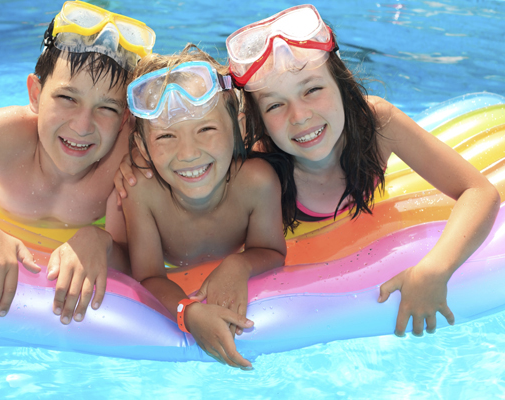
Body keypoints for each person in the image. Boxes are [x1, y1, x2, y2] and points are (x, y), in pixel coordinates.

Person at [117, 4, 500, 338]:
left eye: (312, 89)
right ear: (258, 122)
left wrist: (435, 268)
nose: (300, 118)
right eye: (275, 106)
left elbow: (478, 192)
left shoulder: (376, 125)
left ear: (341, 81)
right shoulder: (256, 161)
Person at [0, 1, 155, 325]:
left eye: (106, 108)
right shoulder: (3, 137)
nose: (82, 126)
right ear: (35, 94)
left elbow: (145, 258)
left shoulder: (127, 160)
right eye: (67, 98)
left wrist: (101, 242)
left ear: (125, 119)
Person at [122, 45, 287, 369]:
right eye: (166, 136)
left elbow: (272, 251)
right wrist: (187, 311)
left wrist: (239, 265)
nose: (188, 154)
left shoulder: (257, 183)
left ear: (238, 127)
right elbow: (149, 277)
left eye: (206, 129)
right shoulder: (143, 193)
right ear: (142, 146)